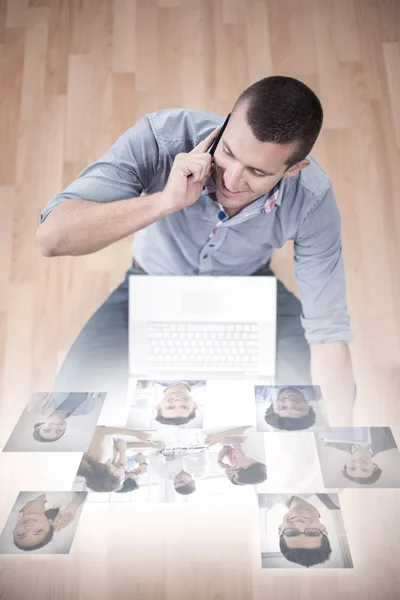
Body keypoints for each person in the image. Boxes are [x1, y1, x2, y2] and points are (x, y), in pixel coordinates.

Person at [37, 76, 355, 423]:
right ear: (225, 124)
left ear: (293, 169)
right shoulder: (163, 137)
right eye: (229, 153)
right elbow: (51, 238)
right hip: (150, 283)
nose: (231, 181)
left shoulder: (312, 198)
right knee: (67, 407)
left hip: (249, 288)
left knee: (323, 411)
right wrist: (163, 202)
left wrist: (342, 443)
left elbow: (328, 334)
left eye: (257, 172)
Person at [259, 493, 340, 567]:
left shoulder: (269, 496)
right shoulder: (336, 498)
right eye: (311, 533)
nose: (300, 524)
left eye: (291, 533)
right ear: (324, 530)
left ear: (280, 530)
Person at [77, 426, 164, 492]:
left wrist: (136, 434)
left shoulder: (99, 458)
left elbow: (103, 431)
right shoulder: (112, 462)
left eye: (123, 479)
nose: (125, 476)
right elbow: (121, 443)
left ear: (115, 474)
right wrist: (122, 457)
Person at [320, 427, 398, 485]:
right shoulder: (392, 441)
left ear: (346, 465)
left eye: (352, 468)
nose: (358, 464)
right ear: (375, 467)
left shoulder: (330, 439)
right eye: (365, 470)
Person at [12, 492, 86, 552]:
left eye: (21, 534)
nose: (28, 528)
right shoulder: (63, 498)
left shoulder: (12, 503)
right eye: (38, 531)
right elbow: (83, 493)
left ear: (14, 530)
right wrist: (73, 507)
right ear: (50, 523)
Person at [28, 392, 102, 443]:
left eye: (47, 430)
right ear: (65, 429)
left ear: (40, 426)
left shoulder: (36, 406)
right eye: (59, 431)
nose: (56, 426)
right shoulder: (86, 410)